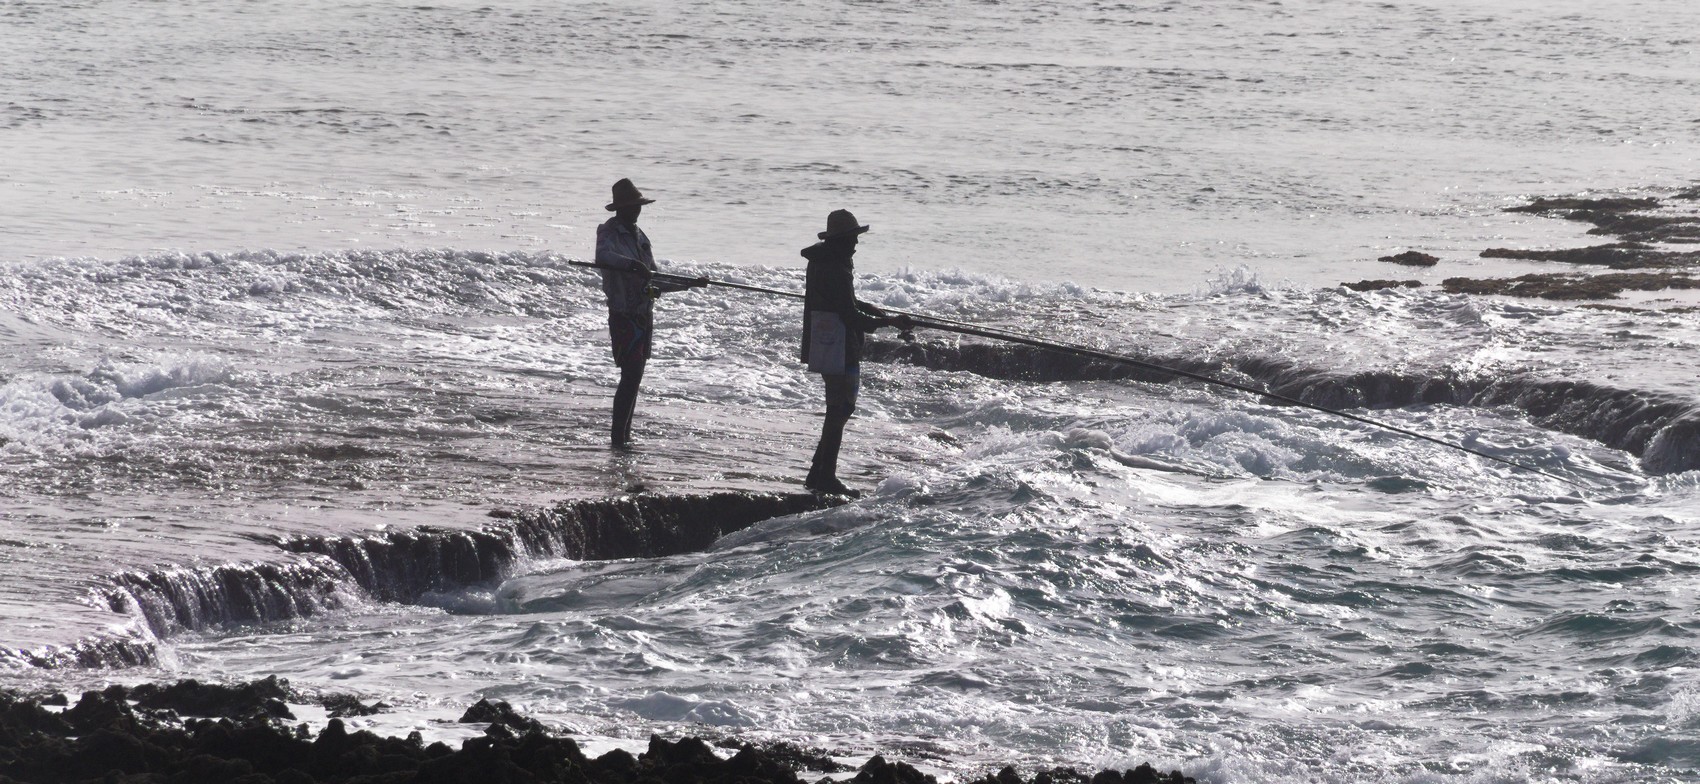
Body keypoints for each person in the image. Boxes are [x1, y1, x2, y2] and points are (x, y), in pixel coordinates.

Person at [799, 209, 903, 496]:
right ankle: (825, 476)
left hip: (825, 342)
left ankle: (817, 473)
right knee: (840, 408)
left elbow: (848, 303)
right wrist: (888, 323)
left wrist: (875, 312)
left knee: (838, 408)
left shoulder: (824, 260)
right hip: (839, 346)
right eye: (852, 238)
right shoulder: (836, 266)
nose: (856, 244)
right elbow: (850, 315)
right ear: (841, 240)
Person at [596, 177, 703, 447]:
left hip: (644, 314)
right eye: (632, 205)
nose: (637, 210)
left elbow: (654, 277)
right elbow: (603, 257)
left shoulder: (641, 237)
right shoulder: (608, 231)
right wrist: (632, 266)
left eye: (639, 205)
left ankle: (624, 436)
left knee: (636, 377)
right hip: (623, 313)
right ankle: (617, 438)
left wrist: (689, 284)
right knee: (629, 375)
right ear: (620, 208)